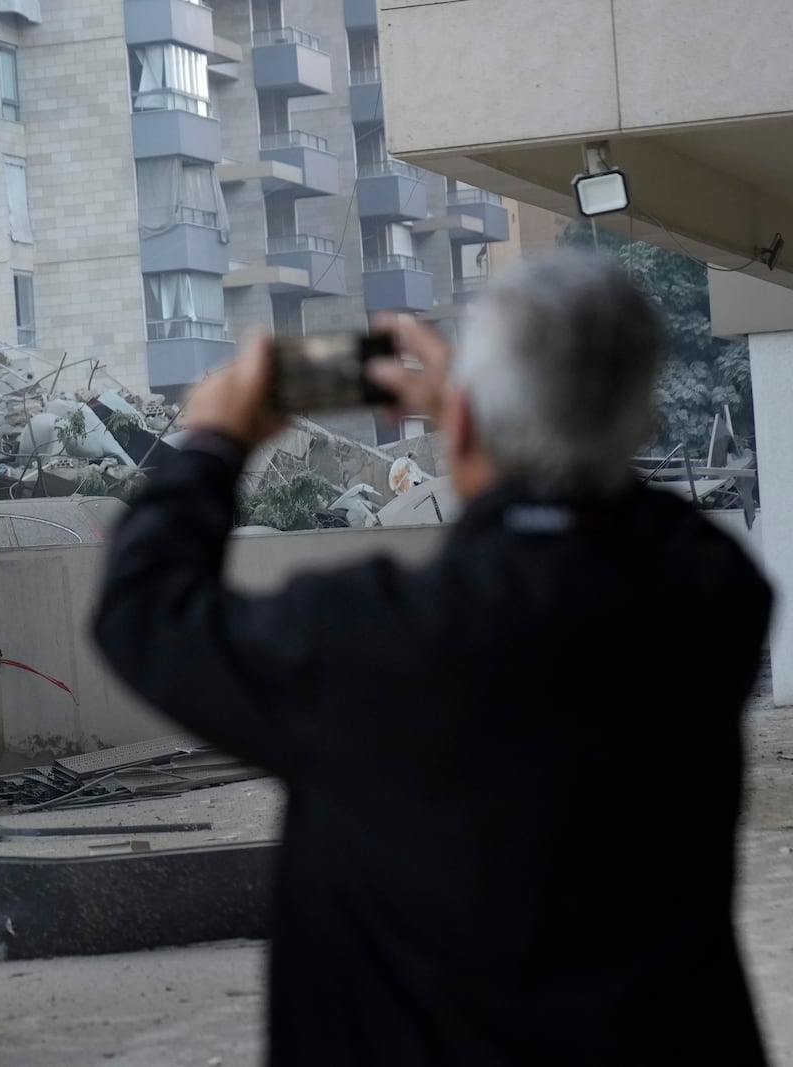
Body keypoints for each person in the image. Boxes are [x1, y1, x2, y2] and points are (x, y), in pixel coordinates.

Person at [93, 250, 771, 1066]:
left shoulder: (368, 637)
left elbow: (141, 609)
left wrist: (210, 443)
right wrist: (523, 416)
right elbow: (631, 513)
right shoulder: (707, 599)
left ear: (458, 424)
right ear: (636, 422)